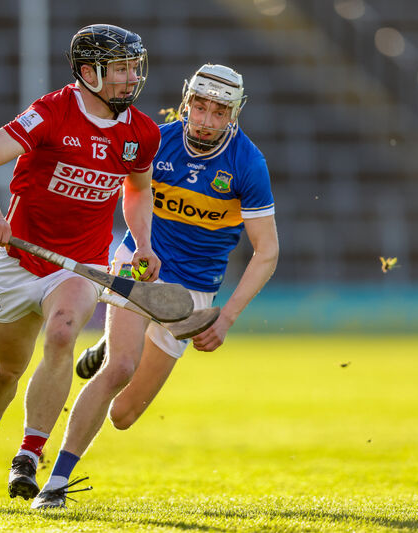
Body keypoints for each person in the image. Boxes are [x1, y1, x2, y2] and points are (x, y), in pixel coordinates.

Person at [32, 64, 279, 509]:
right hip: (141, 264)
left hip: (193, 292)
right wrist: (140, 244)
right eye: (199, 108)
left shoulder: (248, 163)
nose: (206, 120)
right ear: (187, 102)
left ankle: (107, 343)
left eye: (218, 112)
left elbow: (267, 252)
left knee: (123, 416)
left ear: (234, 114)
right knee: (120, 368)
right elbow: (126, 194)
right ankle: (55, 483)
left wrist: (225, 317)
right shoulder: (156, 140)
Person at [0, 24, 161, 510]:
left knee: (64, 333)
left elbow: (138, 189)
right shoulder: (52, 112)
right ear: (89, 73)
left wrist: (143, 242)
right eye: (121, 69)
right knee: (7, 368)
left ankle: (29, 454)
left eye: (134, 67)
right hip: (21, 260)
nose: (132, 78)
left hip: (81, 263)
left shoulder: (141, 133)